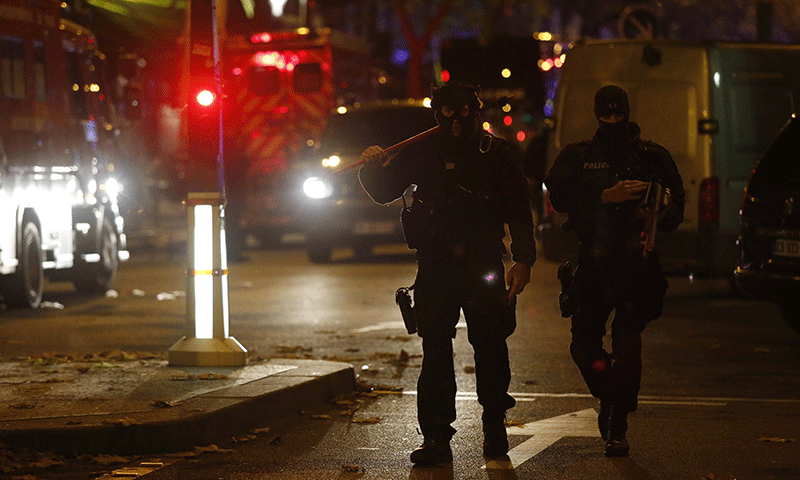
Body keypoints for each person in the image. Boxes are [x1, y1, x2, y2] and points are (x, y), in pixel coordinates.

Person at [358, 83, 536, 465]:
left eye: (462, 112)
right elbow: (385, 191)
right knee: (435, 351)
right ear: (436, 113)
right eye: (446, 113)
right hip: (436, 266)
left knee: (490, 346)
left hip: (482, 265)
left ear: (475, 111)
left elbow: (519, 209)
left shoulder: (495, 154)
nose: (455, 122)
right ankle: (436, 437)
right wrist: (373, 168)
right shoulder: (422, 151)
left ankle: (494, 425)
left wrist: (523, 260)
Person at [543, 85, 685, 457]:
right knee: (584, 346)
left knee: (628, 344)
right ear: (596, 113)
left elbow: (675, 213)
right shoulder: (579, 155)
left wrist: (655, 205)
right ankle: (613, 396)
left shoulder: (652, 157)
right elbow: (558, 198)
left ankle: (616, 423)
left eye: (616, 112)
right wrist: (606, 196)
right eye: (604, 113)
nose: (611, 119)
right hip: (594, 264)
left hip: (635, 264)